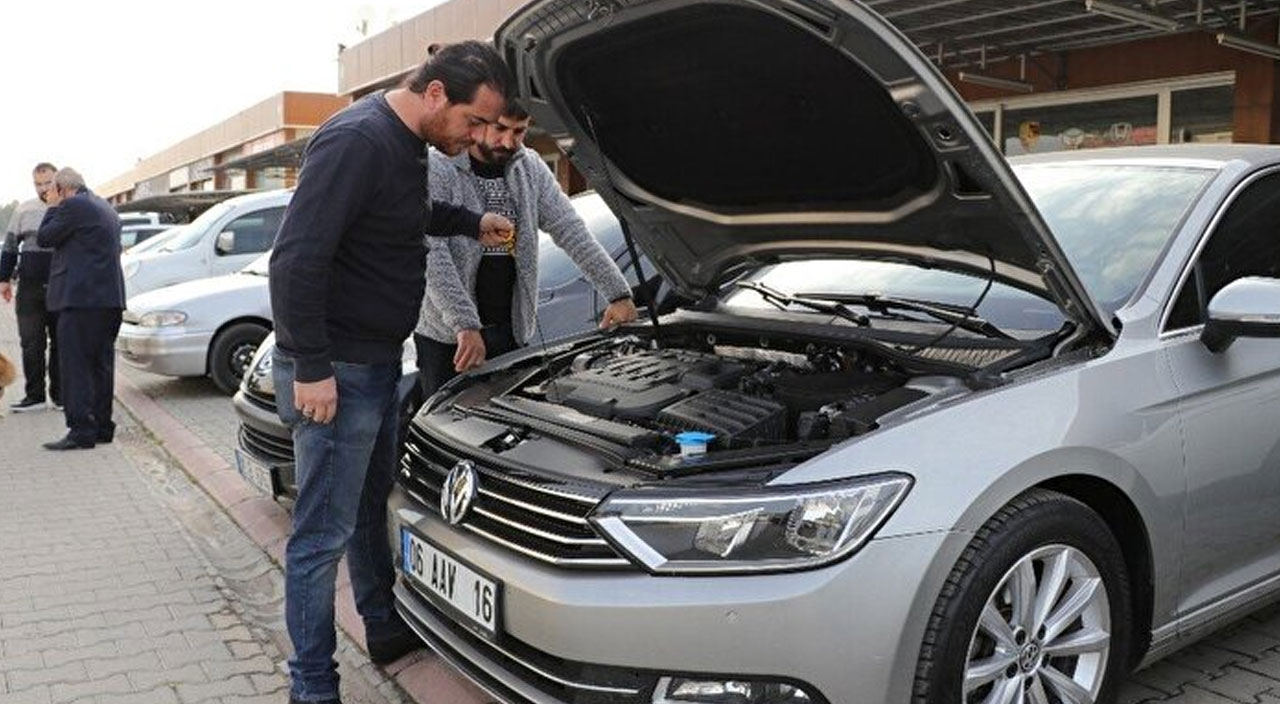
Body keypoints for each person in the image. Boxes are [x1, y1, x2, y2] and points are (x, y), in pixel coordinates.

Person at [268, 40, 515, 704]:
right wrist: (311, 366)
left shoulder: (406, 144)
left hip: (374, 365)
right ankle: (312, 686)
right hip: (336, 373)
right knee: (320, 537)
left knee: (368, 508)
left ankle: (382, 627)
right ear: (435, 94)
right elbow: (295, 259)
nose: (477, 138)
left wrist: (471, 221)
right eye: (473, 121)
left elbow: (402, 214)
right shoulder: (356, 140)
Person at [416, 98, 638, 394]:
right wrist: (464, 324)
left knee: (503, 419)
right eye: (500, 129)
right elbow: (431, 252)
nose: (509, 142)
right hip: (448, 338)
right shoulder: (437, 166)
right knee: (448, 417)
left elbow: (570, 230)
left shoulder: (530, 167)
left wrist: (617, 293)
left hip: (511, 332)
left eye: (519, 131)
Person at [36, 168, 125, 450]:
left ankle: (81, 431)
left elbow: (44, 237)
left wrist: (52, 207)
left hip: (82, 301)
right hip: (109, 300)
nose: (49, 195)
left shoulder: (73, 205)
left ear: (62, 189)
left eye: (52, 190)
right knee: (101, 366)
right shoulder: (104, 206)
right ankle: (102, 426)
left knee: (76, 367)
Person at [0, 163, 61, 412]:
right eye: (38, 184)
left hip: (61, 285)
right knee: (31, 342)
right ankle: (34, 396)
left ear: (57, 181)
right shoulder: (24, 210)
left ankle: (60, 396)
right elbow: (10, 246)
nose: (43, 188)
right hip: (29, 287)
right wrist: (4, 279)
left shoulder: (69, 209)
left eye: (48, 182)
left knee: (61, 342)